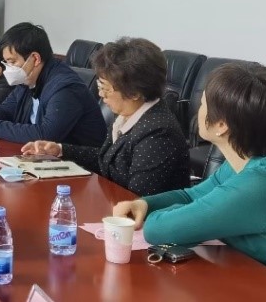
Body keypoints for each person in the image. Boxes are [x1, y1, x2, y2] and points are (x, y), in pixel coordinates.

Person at [113, 64, 266, 302]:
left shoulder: (260, 185)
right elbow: (192, 197)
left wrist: (186, 218)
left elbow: (158, 231)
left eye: (203, 104)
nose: (198, 110)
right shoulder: (259, 159)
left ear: (221, 125)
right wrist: (145, 204)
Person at [21, 38, 188, 196]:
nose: (101, 94)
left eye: (106, 88)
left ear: (135, 92)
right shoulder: (128, 115)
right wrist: (60, 150)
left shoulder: (158, 133)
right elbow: (107, 160)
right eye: (99, 86)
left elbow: (137, 199)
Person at [0, 23, 105, 146]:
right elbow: (8, 108)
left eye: (12, 62)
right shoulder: (28, 79)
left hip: (78, 164)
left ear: (35, 59)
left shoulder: (65, 88)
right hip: (41, 157)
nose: (8, 68)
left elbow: (46, 134)